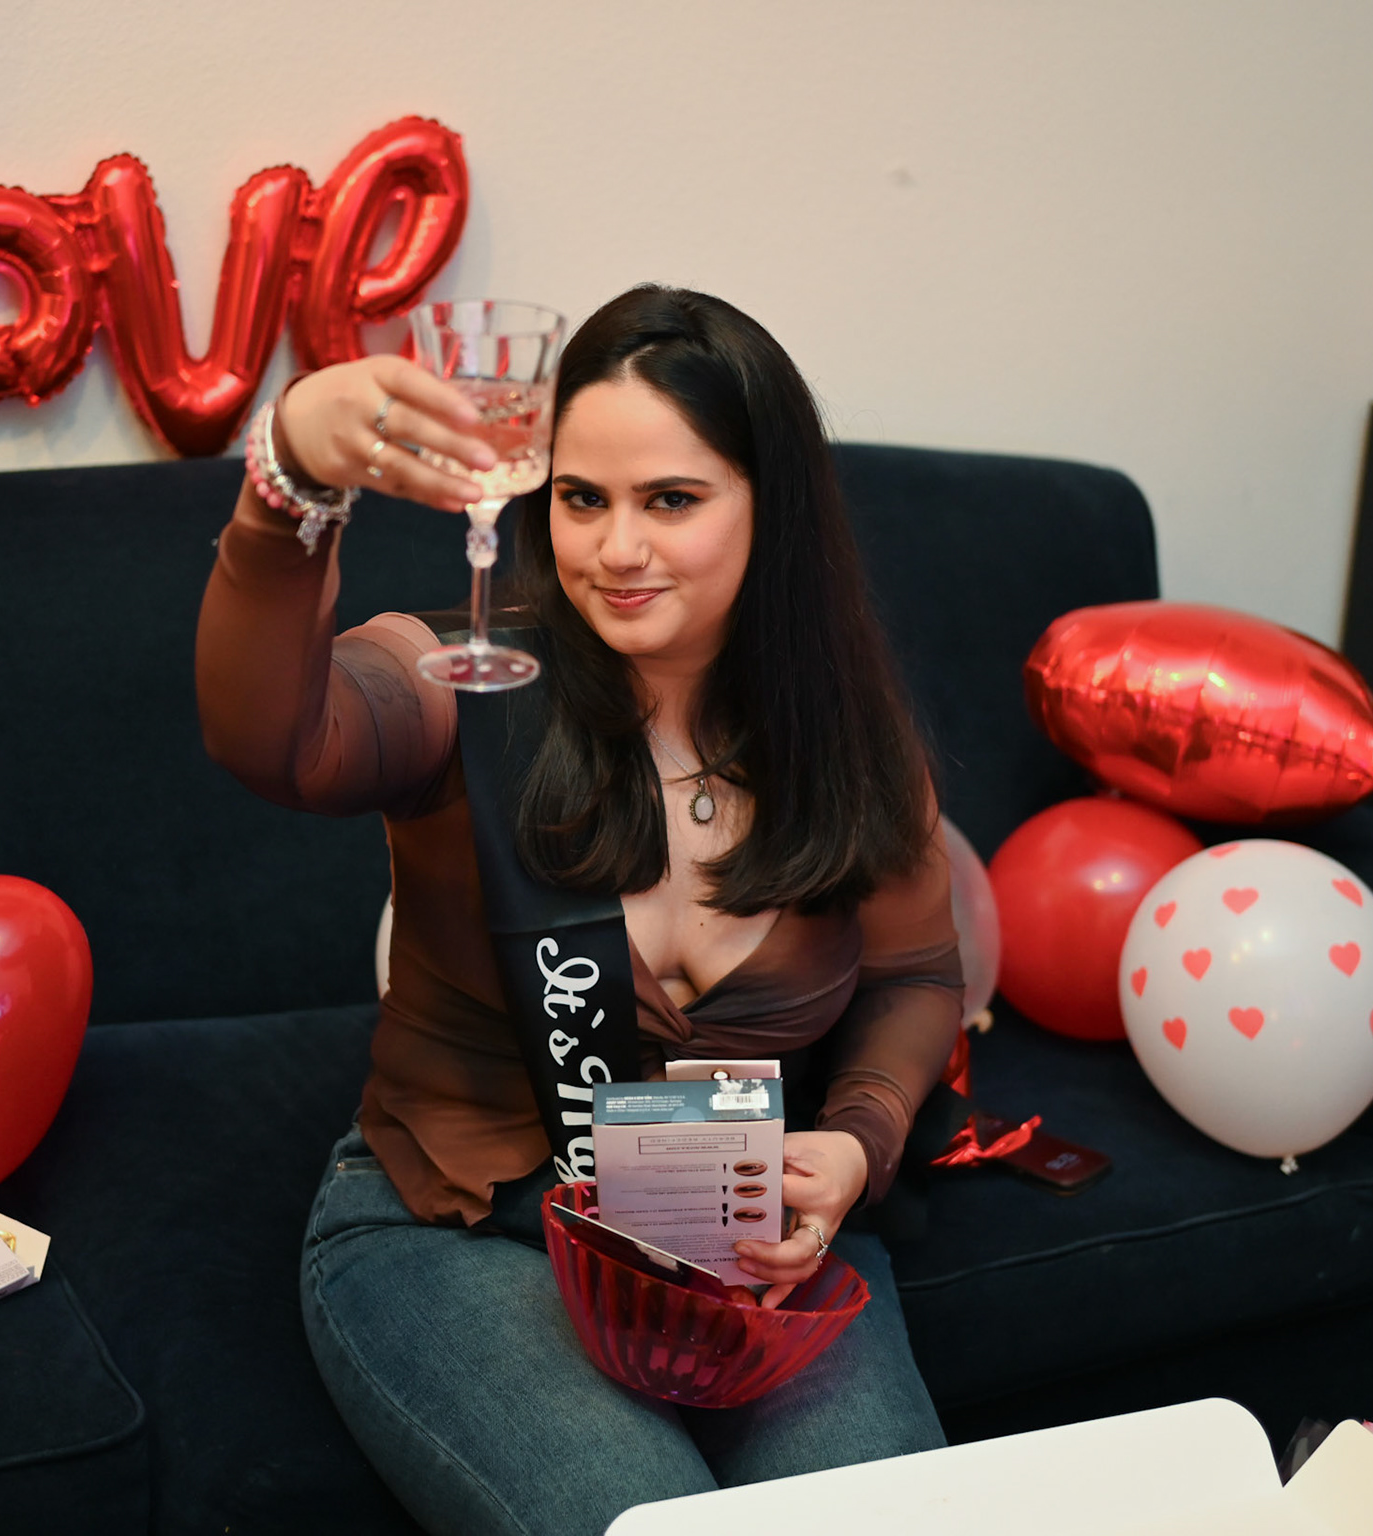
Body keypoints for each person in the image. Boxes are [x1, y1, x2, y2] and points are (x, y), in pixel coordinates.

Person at [196, 285, 965, 1536]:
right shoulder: (463, 681)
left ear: (773, 507)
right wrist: (288, 479)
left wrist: (855, 1143)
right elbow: (267, 741)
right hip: (465, 1229)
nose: (616, 549)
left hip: (740, 1245)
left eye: (671, 500)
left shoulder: (849, 737)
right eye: (581, 498)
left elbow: (914, 976)